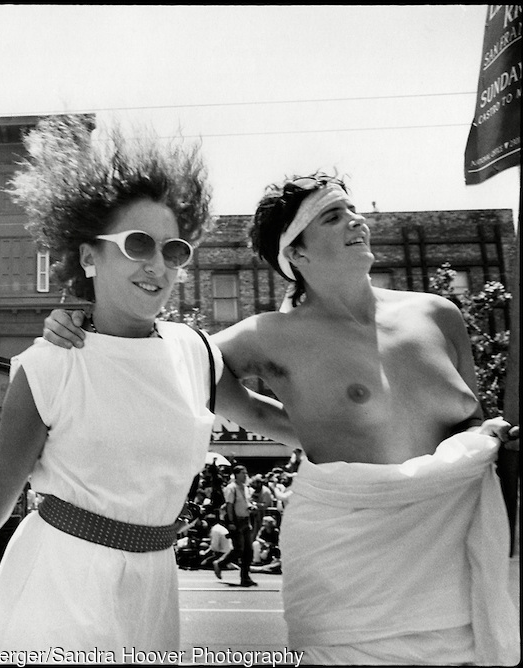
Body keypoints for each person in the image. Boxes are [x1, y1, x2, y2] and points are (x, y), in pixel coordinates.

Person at [0, 116, 295, 652]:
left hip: (153, 593)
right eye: (138, 244)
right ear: (88, 255)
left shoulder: (199, 354)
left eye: (174, 250)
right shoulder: (50, 365)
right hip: (58, 587)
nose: (158, 265)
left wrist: (389, 441)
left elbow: (273, 420)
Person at [42, 170, 520, 664]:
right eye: (333, 217)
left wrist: (486, 437)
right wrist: (85, 321)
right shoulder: (266, 336)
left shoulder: (440, 314)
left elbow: (471, 426)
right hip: (351, 581)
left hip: (454, 569)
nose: (357, 221)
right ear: (297, 254)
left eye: (351, 210)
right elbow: (167, 361)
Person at [221, 464, 257, 586]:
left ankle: (245, 577)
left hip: (246, 520)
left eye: (246, 473)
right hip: (237, 521)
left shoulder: (245, 488)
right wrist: (231, 522)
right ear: (236, 474)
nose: (245, 475)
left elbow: (247, 502)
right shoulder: (232, 488)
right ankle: (220, 563)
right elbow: (229, 506)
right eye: (243, 473)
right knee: (239, 549)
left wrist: (251, 507)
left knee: (249, 550)